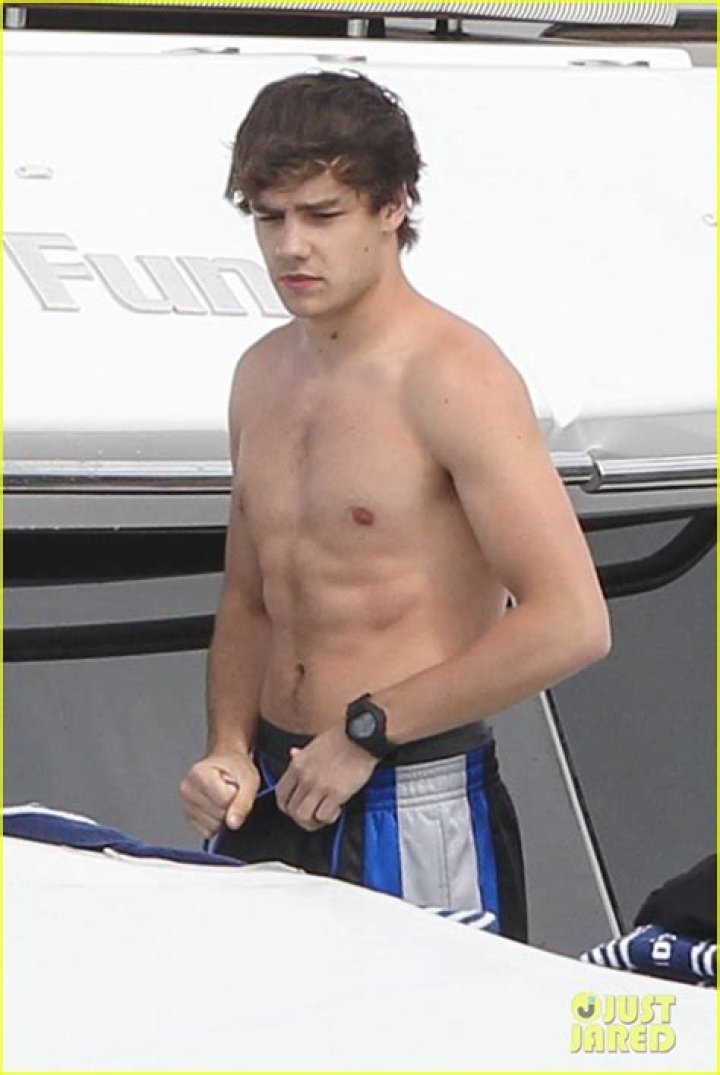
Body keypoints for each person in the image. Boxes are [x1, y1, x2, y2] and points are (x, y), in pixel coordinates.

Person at [180, 71, 611, 942]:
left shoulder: (454, 378)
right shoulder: (259, 374)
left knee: (421, 1023)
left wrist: (368, 732)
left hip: (414, 797)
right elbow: (251, 598)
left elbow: (573, 622)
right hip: (271, 795)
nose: (291, 246)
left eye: (323, 214)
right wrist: (227, 745)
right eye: (269, 217)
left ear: (393, 206)